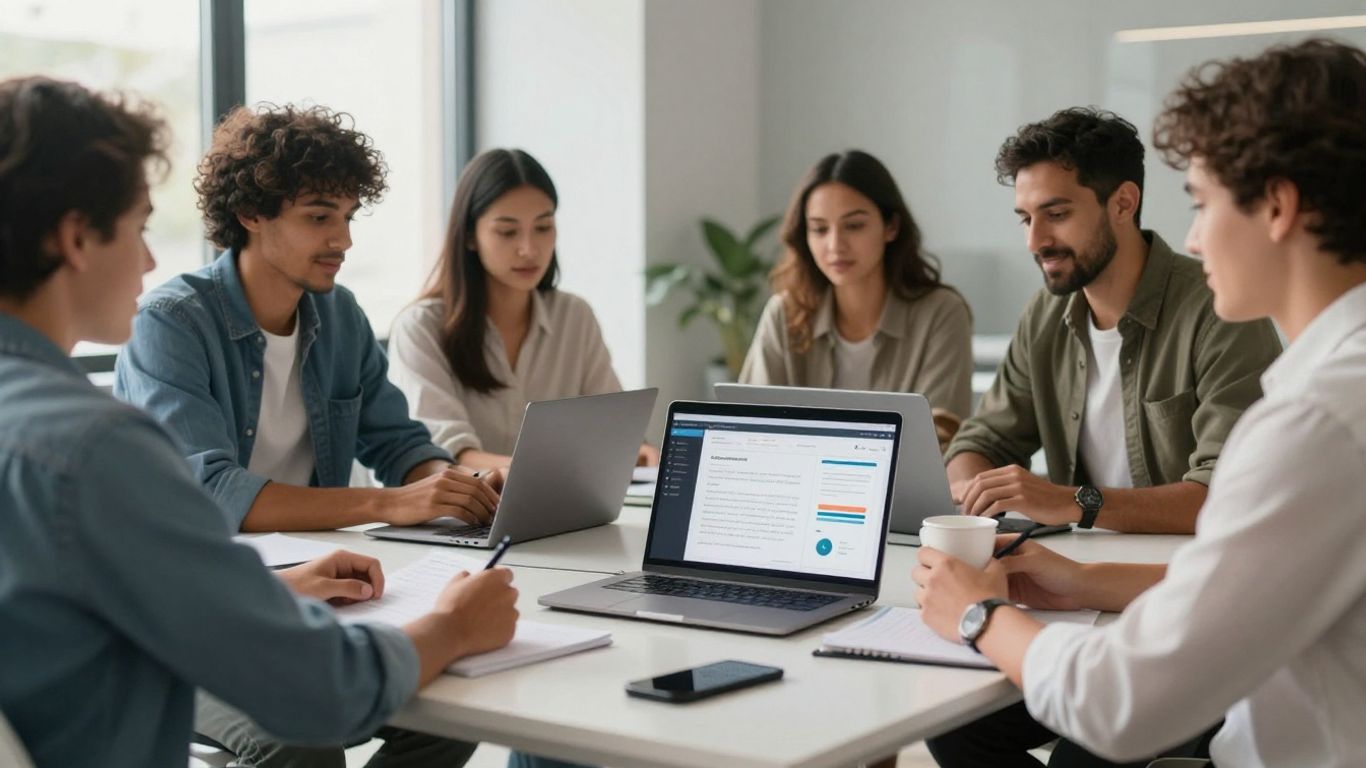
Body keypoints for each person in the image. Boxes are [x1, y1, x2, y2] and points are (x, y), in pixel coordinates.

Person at [0, 75, 518, 768]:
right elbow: (318, 687)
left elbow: (81, 597)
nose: (151, 259)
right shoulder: (97, 446)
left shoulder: (36, 428)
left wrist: (270, 588)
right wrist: (452, 629)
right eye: (139, 227)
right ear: (74, 239)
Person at [915, 38, 1366, 767]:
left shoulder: (1316, 423)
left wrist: (976, 615)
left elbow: (1118, 703)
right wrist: (1081, 579)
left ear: (1277, 206)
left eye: (1203, 202)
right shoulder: (1337, 389)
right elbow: (1250, 578)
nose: (1191, 234)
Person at [943, 108, 1283, 537]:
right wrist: (969, 491)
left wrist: (1070, 502)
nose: (1035, 241)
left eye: (1057, 214)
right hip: (1079, 570)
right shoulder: (1044, 315)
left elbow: (1229, 494)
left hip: (1185, 574)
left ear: (1123, 203)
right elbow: (983, 441)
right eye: (1027, 219)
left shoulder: (1221, 312)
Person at [388, 148, 657, 471]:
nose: (529, 249)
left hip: (561, 508)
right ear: (471, 236)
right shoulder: (421, 327)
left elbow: (614, 428)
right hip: (460, 516)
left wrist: (639, 451)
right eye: (507, 231)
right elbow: (447, 454)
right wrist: (543, 473)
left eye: (543, 228)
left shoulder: (574, 317)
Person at [739, 150, 973, 449]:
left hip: (901, 495)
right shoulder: (784, 313)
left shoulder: (941, 313)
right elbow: (751, 429)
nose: (835, 245)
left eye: (854, 225)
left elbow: (940, 440)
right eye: (820, 229)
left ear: (891, 227)